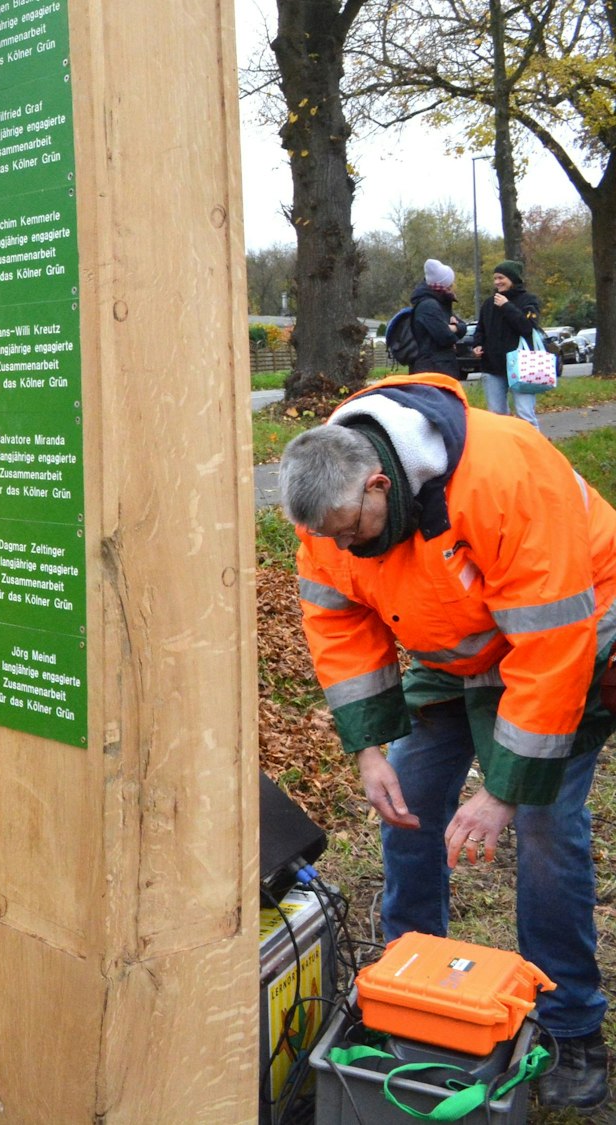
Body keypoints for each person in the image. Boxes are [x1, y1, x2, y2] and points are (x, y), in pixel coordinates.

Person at [280, 371, 614, 1110]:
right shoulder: (329, 516)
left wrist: (500, 789)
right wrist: (369, 749)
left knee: (544, 823)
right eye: (325, 537)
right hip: (454, 645)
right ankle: (406, 984)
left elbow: (552, 644)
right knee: (409, 799)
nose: (340, 546)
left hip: (573, 629)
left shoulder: (503, 476)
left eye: (350, 530)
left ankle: (570, 1023)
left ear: (377, 483)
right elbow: (338, 625)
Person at [469, 259, 542, 428]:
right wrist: (477, 344)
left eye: (501, 278)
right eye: (495, 278)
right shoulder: (489, 303)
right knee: (496, 416)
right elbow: (481, 328)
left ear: (512, 278)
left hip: (522, 367)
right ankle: (505, 452)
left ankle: (532, 452)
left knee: (525, 415)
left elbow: (527, 327)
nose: (497, 282)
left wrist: (507, 306)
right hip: (493, 367)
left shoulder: (529, 300)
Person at [404, 259, 463, 377]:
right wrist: (455, 329)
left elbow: (462, 326)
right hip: (433, 368)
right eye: (451, 283)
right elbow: (445, 337)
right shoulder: (429, 306)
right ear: (444, 284)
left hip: (438, 365)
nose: (453, 286)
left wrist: (455, 327)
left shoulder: (440, 303)